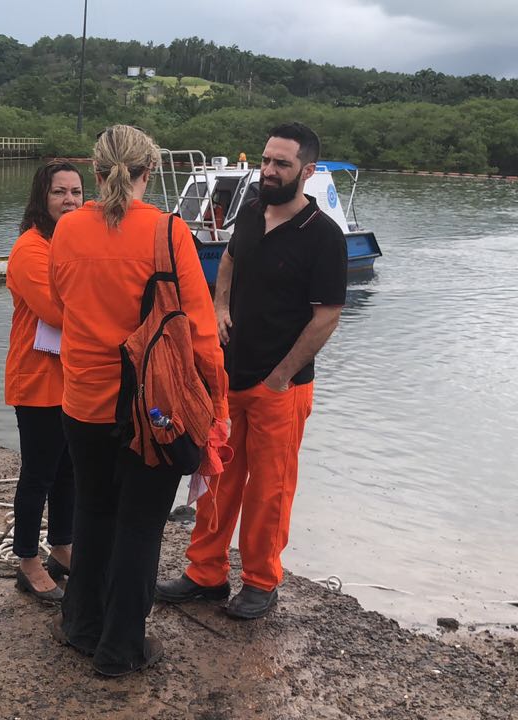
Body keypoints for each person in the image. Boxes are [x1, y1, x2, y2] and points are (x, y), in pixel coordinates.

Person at [47, 125, 229, 676]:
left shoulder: (67, 230)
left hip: (82, 401)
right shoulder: (168, 232)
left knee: (93, 513)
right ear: (148, 172)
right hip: (154, 411)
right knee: (141, 525)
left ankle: (82, 626)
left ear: (96, 173)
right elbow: (198, 331)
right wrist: (216, 403)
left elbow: (62, 302)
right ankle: (121, 648)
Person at [157, 122, 347, 619]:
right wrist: (220, 308)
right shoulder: (250, 212)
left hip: (281, 387)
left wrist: (282, 376)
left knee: (269, 488)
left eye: (281, 164)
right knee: (216, 476)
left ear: (306, 171)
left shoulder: (323, 236)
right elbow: (230, 264)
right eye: (266, 160)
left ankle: (262, 581)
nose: (268, 170)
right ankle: (206, 573)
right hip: (229, 377)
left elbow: (326, 316)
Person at [4, 161, 83, 602]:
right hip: (37, 378)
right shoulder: (30, 249)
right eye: (60, 192)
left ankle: (63, 547)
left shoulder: (72, 243)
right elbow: (57, 311)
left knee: (69, 469)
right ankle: (27, 561)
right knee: (39, 473)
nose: (70, 200)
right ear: (42, 197)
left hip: (74, 377)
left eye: (76, 192)